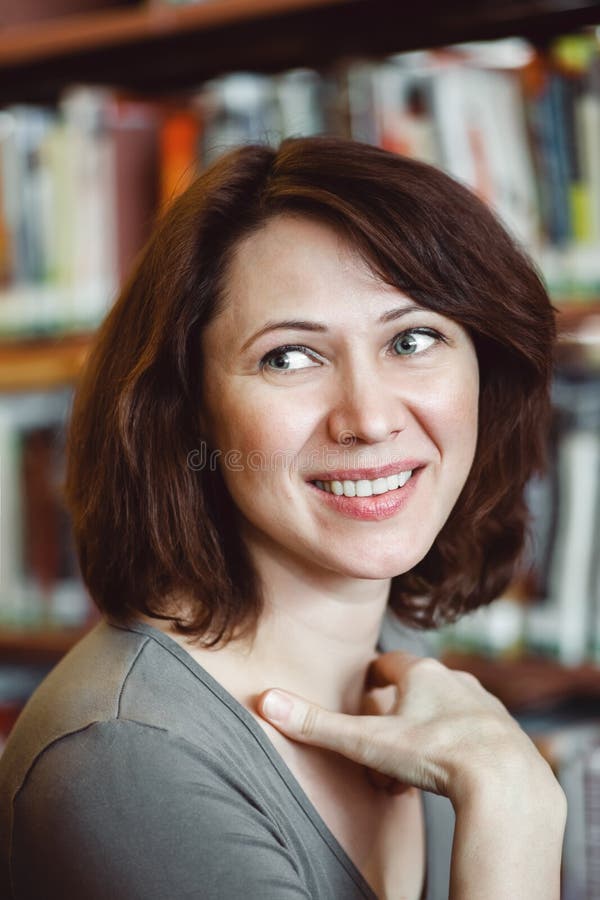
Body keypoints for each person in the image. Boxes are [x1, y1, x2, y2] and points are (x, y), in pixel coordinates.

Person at [0, 136, 566, 900]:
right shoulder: (127, 758)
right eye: (289, 358)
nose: (367, 418)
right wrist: (514, 811)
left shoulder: (399, 657)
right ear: (190, 411)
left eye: (413, 338)